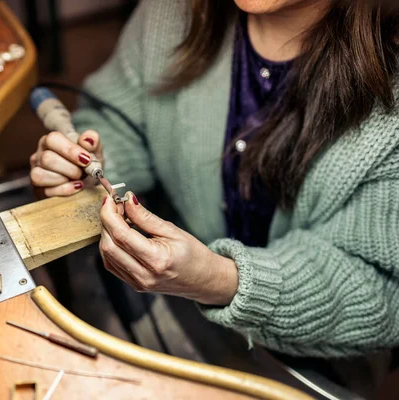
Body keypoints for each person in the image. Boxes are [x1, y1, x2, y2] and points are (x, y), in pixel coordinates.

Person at [28, 0, 399, 365]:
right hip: (177, 309)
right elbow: (128, 124)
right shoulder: (171, 12)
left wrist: (220, 280)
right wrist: (90, 167)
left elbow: (383, 293)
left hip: (314, 364)